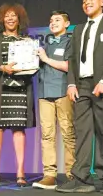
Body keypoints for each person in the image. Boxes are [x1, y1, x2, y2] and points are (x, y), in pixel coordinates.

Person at [55, 0, 103, 194]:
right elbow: (72, 59)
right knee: (83, 133)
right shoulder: (78, 29)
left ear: (102, 1)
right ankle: (80, 177)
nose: (87, 3)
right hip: (82, 86)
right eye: (84, 1)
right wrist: (71, 84)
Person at [0, 3, 35, 187]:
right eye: (7, 16)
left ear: (19, 19)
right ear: (2, 19)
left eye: (14, 16)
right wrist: (1, 67)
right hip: (0, 89)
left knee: (18, 129)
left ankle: (20, 171)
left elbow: (33, 64)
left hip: (20, 89)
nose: (10, 18)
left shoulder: (27, 39)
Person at [32, 10, 75, 190]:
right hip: (44, 93)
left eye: (57, 20)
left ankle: (72, 173)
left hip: (63, 91)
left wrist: (45, 59)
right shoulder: (45, 44)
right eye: (51, 20)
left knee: (68, 133)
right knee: (47, 135)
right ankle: (49, 175)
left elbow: (68, 66)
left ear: (66, 23)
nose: (53, 23)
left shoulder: (71, 42)